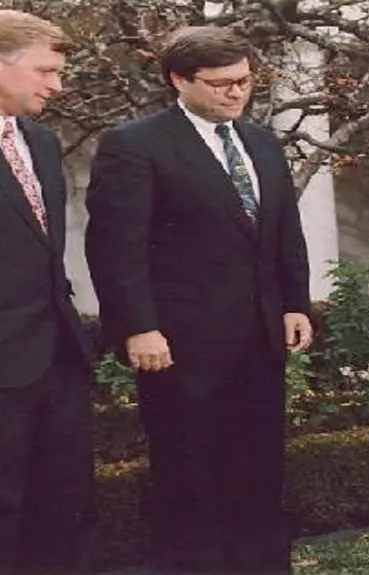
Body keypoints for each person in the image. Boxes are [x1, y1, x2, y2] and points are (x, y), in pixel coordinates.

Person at [85, 26, 312, 574]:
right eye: (221, 84)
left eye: (245, 81)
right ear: (179, 80)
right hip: (179, 345)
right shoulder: (134, 145)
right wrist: (138, 326)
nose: (237, 92)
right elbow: (116, 247)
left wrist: (295, 303)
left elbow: (284, 230)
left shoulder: (262, 143)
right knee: (188, 477)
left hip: (260, 339)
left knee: (260, 473)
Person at [0, 10, 96, 572]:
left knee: (63, 508)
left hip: (56, 357)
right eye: (45, 71)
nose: (57, 86)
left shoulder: (39, 141)